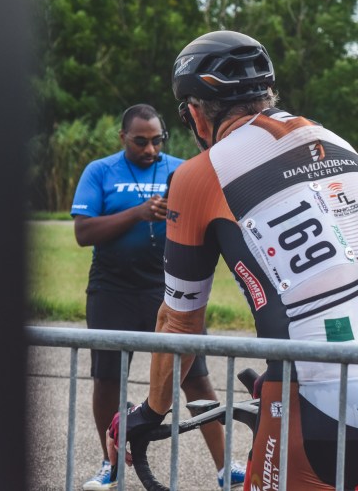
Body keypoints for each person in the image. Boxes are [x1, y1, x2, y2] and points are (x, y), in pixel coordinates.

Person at [106, 31, 358, 490]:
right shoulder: (336, 141)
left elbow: (180, 322)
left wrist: (150, 412)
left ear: (196, 114)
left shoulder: (200, 172)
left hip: (324, 397)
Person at [71, 104, 242, 490]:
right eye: (140, 142)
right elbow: (83, 233)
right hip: (112, 289)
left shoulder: (184, 170)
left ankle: (225, 466)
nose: (150, 149)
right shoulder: (100, 171)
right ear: (122, 137)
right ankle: (110, 464)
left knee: (196, 378)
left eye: (157, 140)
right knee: (108, 378)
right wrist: (138, 213)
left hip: (168, 288)